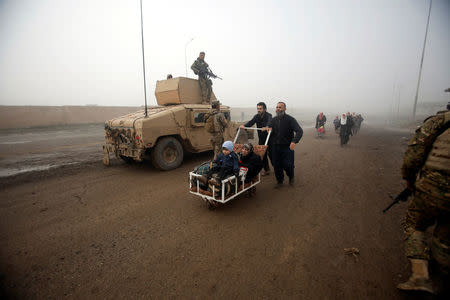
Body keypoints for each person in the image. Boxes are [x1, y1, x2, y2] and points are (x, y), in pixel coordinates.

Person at [397, 102, 450, 294]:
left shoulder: (438, 122)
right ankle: (442, 277)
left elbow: (413, 157)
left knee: (414, 225)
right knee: (445, 237)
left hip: (433, 188)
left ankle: (420, 275)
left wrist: (410, 180)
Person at [266, 102, 303, 188]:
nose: (278, 109)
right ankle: (280, 181)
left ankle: (291, 177)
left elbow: (299, 131)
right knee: (276, 165)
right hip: (275, 147)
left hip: (287, 147)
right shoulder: (273, 120)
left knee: (288, 165)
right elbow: (269, 127)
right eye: (277, 107)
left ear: (285, 109)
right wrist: (268, 129)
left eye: (280, 107)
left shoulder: (290, 119)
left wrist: (294, 141)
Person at [240, 102, 272, 175]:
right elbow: (251, 122)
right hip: (261, 138)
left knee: (272, 155)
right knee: (262, 154)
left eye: (260, 109)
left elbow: (270, 122)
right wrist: (244, 126)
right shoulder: (256, 116)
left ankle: (277, 169)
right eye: (258, 108)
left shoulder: (269, 115)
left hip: (270, 138)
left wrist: (267, 127)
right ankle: (267, 170)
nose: (259, 110)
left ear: (265, 109)